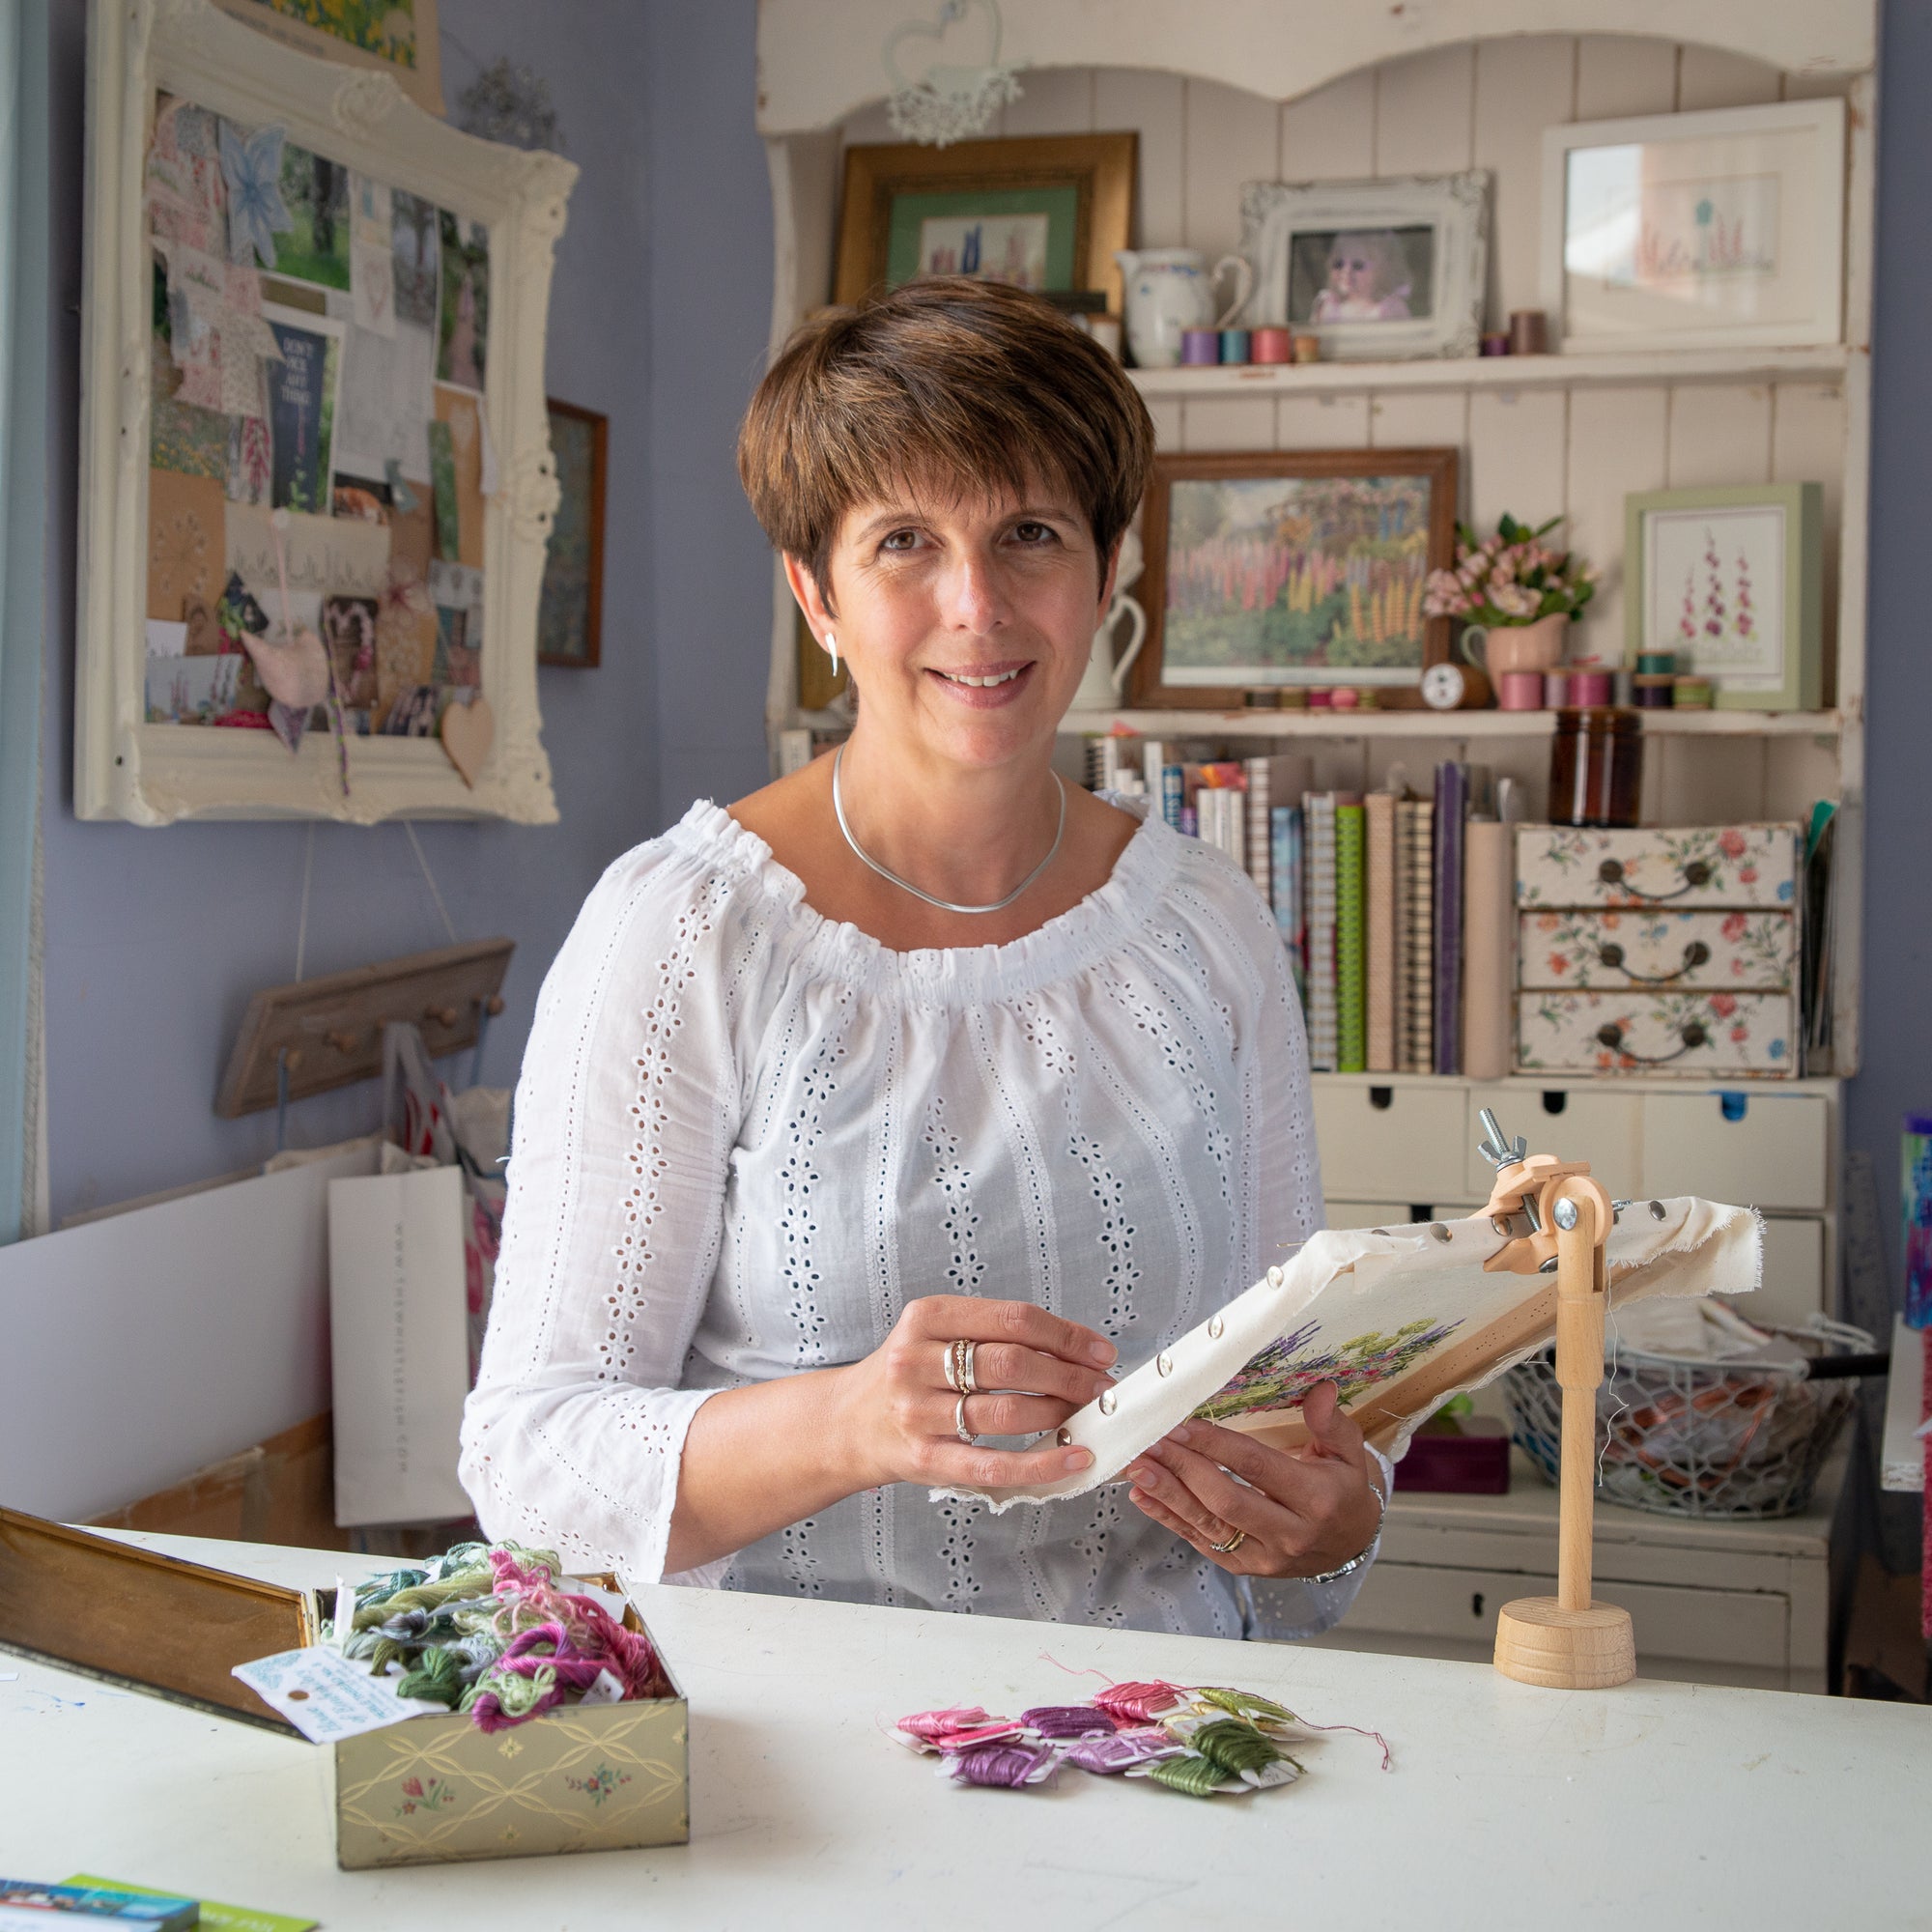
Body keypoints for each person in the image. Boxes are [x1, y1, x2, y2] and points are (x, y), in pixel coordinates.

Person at [460, 277, 1388, 1639]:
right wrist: (850, 1421)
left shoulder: (1209, 926)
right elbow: (530, 1467)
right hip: (807, 1757)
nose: (979, 605)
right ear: (815, 593)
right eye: (903, 541)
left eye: (1030, 534)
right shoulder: (682, 933)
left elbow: (1306, 1402)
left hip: (1174, 1729)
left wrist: (1340, 1514)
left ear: (1107, 571)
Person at [1308, 230, 1413, 322]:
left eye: (1357, 265)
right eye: (1339, 264)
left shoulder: (1390, 308)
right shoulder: (1328, 305)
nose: (1346, 271)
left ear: (1380, 271)